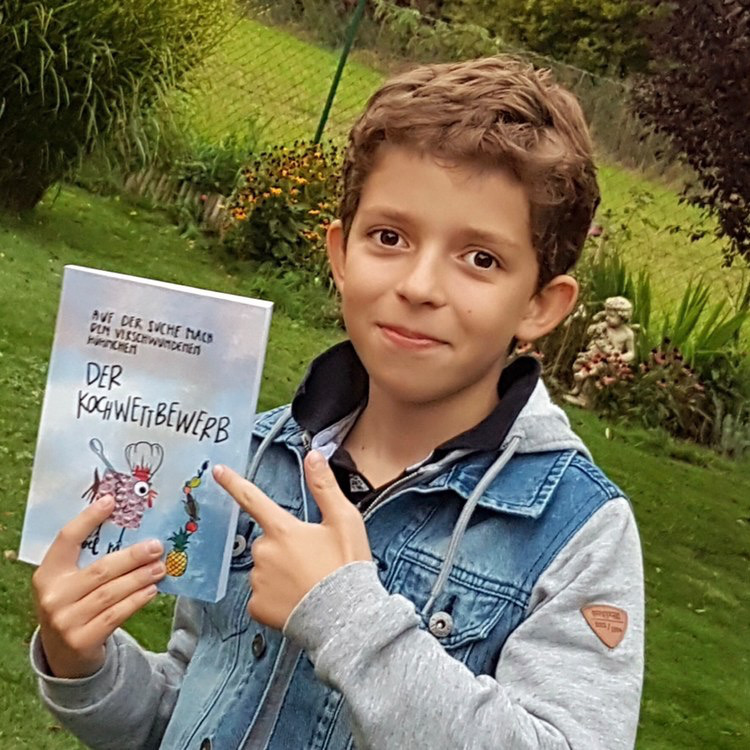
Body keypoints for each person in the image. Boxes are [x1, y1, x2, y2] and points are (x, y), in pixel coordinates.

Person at [30, 57, 644, 749]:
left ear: (540, 304)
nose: (419, 286)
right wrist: (82, 663)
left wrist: (345, 615)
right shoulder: (252, 458)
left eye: (480, 259)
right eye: (390, 238)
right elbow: (191, 700)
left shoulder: (576, 530)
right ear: (341, 254)